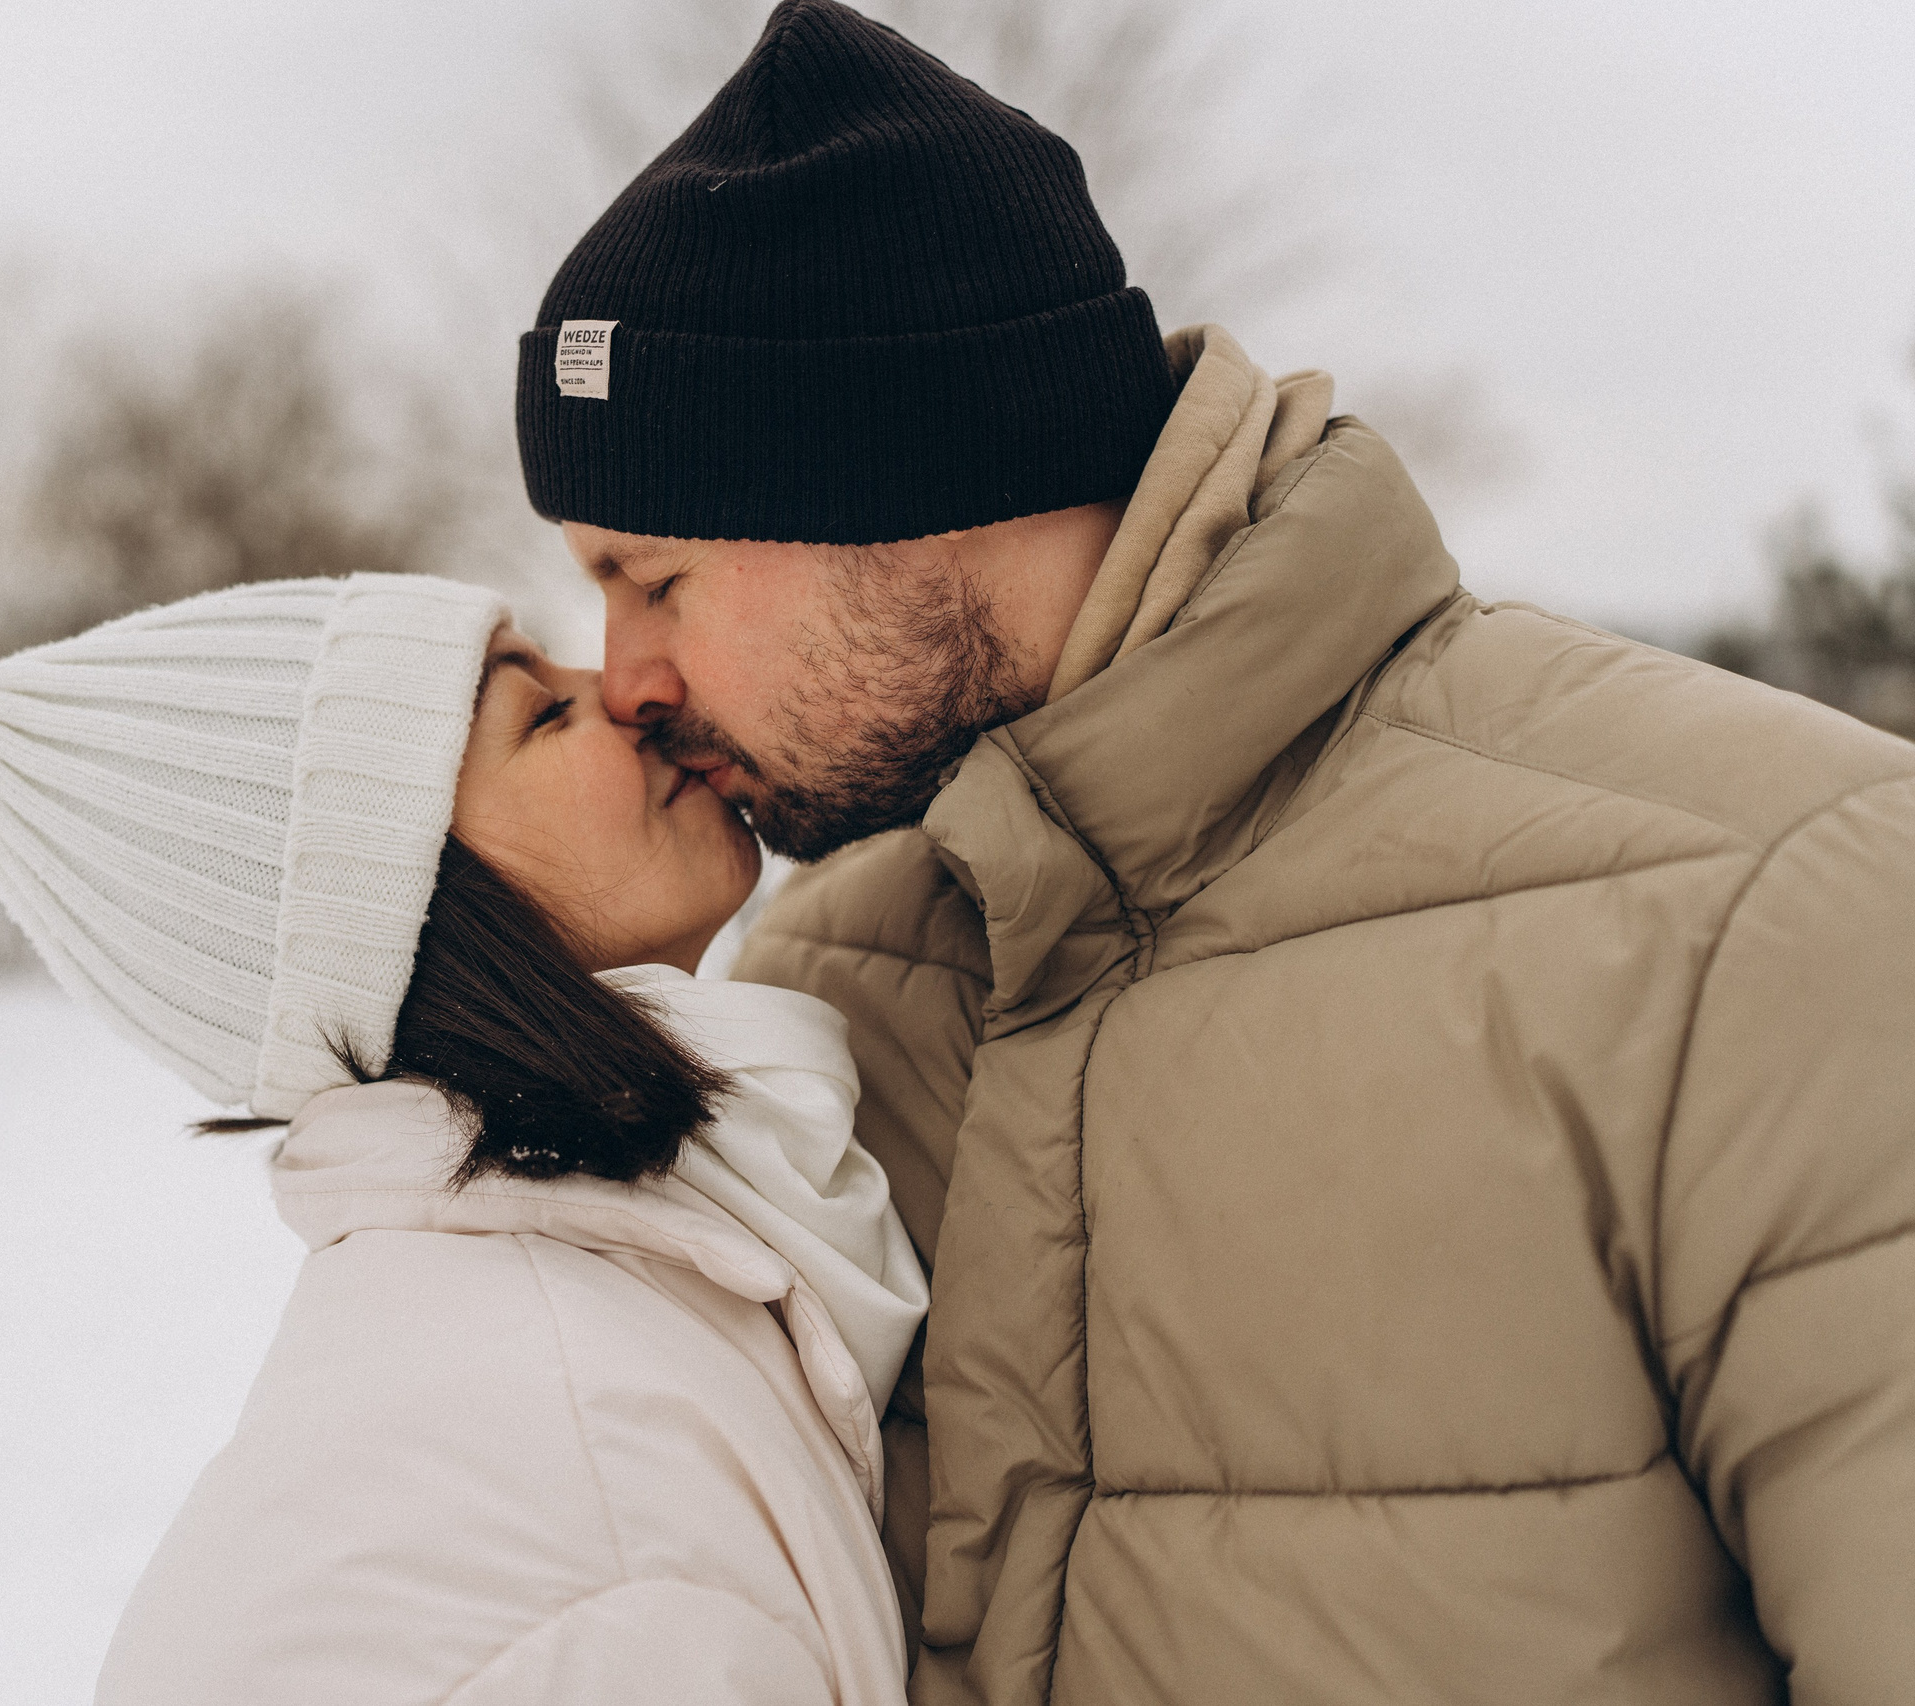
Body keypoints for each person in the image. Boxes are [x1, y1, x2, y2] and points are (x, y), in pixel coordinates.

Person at [512, 3, 1915, 1703]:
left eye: (652, 577)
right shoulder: (829, 992)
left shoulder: (1777, 914)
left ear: (905, 480)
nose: (627, 680)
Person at [0, 571, 928, 1704]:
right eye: (544, 715)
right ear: (412, 913)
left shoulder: (651, 1274)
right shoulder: (580, 1487)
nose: (622, 690)